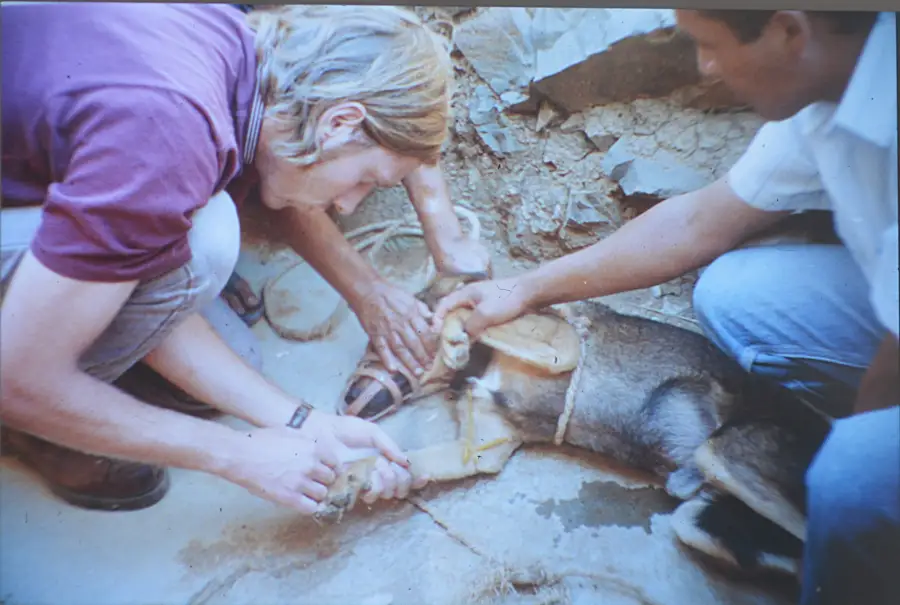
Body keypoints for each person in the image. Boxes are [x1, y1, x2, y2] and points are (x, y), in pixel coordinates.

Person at [434, 10, 898, 605]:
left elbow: (894, 362)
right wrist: (525, 288)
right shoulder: (825, 95)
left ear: (788, 31)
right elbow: (700, 221)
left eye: (709, 43)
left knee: (851, 476)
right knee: (735, 296)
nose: (705, 65)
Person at [0, 3, 488, 514]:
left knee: (225, 339)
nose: (346, 204)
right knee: (206, 241)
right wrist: (237, 456)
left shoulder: (235, 49)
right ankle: (39, 431)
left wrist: (302, 423)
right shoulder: (170, 135)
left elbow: (144, 289)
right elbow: (17, 379)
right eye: (366, 179)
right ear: (339, 123)